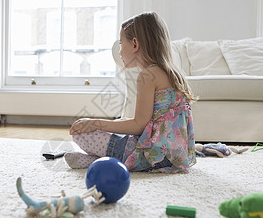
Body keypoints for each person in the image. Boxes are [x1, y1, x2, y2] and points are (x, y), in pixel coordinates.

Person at [65, 11, 197, 173]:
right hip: (174, 155)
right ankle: (96, 161)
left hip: (154, 156)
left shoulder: (148, 76)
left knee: (81, 135)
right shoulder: (173, 73)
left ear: (135, 44)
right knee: (118, 125)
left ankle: (107, 160)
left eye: (121, 44)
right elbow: (149, 122)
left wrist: (97, 123)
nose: (120, 51)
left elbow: (139, 125)